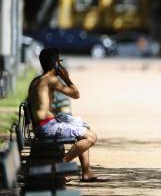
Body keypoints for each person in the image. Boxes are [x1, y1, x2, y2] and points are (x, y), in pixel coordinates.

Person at [27, 48, 106, 182]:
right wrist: (66, 78)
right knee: (91, 137)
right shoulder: (50, 80)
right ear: (56, 64)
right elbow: (76, 94)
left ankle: (87, 172)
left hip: (44, 125)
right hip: (46, 128)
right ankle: (60, 165)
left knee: (83, 126)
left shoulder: (37, 80)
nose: (62, 64)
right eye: (60, 61)